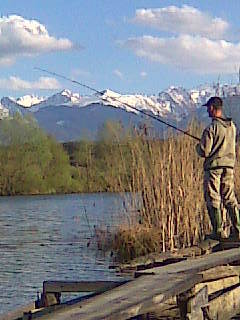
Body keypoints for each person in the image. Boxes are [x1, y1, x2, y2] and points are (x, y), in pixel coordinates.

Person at [196, 96, 240, 240]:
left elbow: (204, 151)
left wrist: (198, 147)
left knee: (213, 197)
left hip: (214, 168)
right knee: (229, 198)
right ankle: (238, 228)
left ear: (213, 109)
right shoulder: (232, 127)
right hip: (229, 166)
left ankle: (219, 232)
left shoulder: (211, 129)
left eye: (209, 108)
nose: (208, 110)